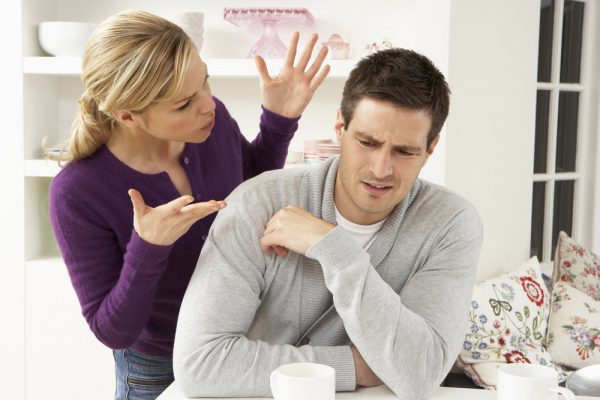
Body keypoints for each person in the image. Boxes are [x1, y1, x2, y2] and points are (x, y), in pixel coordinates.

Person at [48, 9, 330, 400]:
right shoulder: (78, 192)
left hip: (243, 342)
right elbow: (113, 331)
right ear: (127, 115)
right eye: (184, 104)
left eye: (205, 81)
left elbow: (249, 187)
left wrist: (279, 121)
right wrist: (148, 247)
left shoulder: (212, 126)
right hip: (157, 369)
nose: (208, 105)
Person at [173, 48, 484, 400]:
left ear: (430, 149)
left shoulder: (451, 224)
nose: (381, 169)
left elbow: (421, 373)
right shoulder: (256, 204)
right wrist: (354, 366)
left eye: (404, 152)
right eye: (367, 142)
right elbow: (198, 365)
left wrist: (336, 251)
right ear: (340, 126)